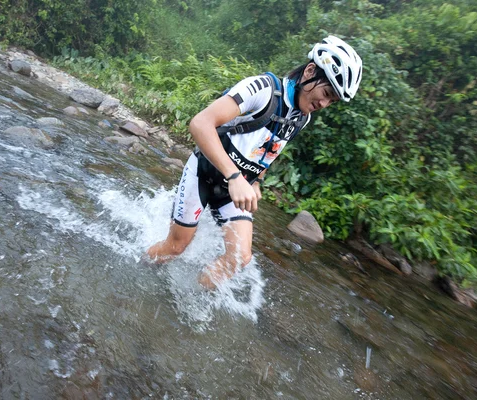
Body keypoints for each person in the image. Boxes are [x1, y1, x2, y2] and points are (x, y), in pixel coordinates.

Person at [146, 35, 363, 289]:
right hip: (204, 173)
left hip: (234, 190)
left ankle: (188, 299)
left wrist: (257, 181)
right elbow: (200, 123)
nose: (324, 104)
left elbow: (270, 152)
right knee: (176, 247)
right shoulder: (263, 89)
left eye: (332, 101)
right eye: (326, 93)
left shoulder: (300, 118)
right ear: (310, 71)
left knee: (239, 258)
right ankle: (137, 267)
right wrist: (235, 177)